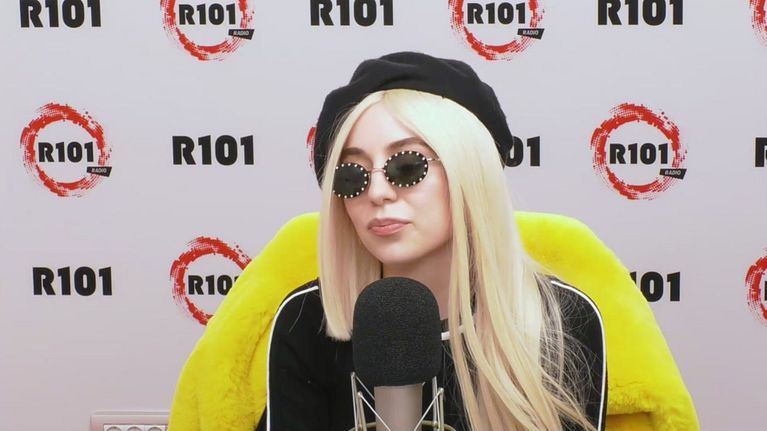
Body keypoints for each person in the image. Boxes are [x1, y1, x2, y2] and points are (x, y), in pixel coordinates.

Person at [256, 52, 606, 431]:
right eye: (352, 174)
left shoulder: (560, 319)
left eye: (406, 165)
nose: (377, 192)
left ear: (469, 173)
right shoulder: (308, 320)